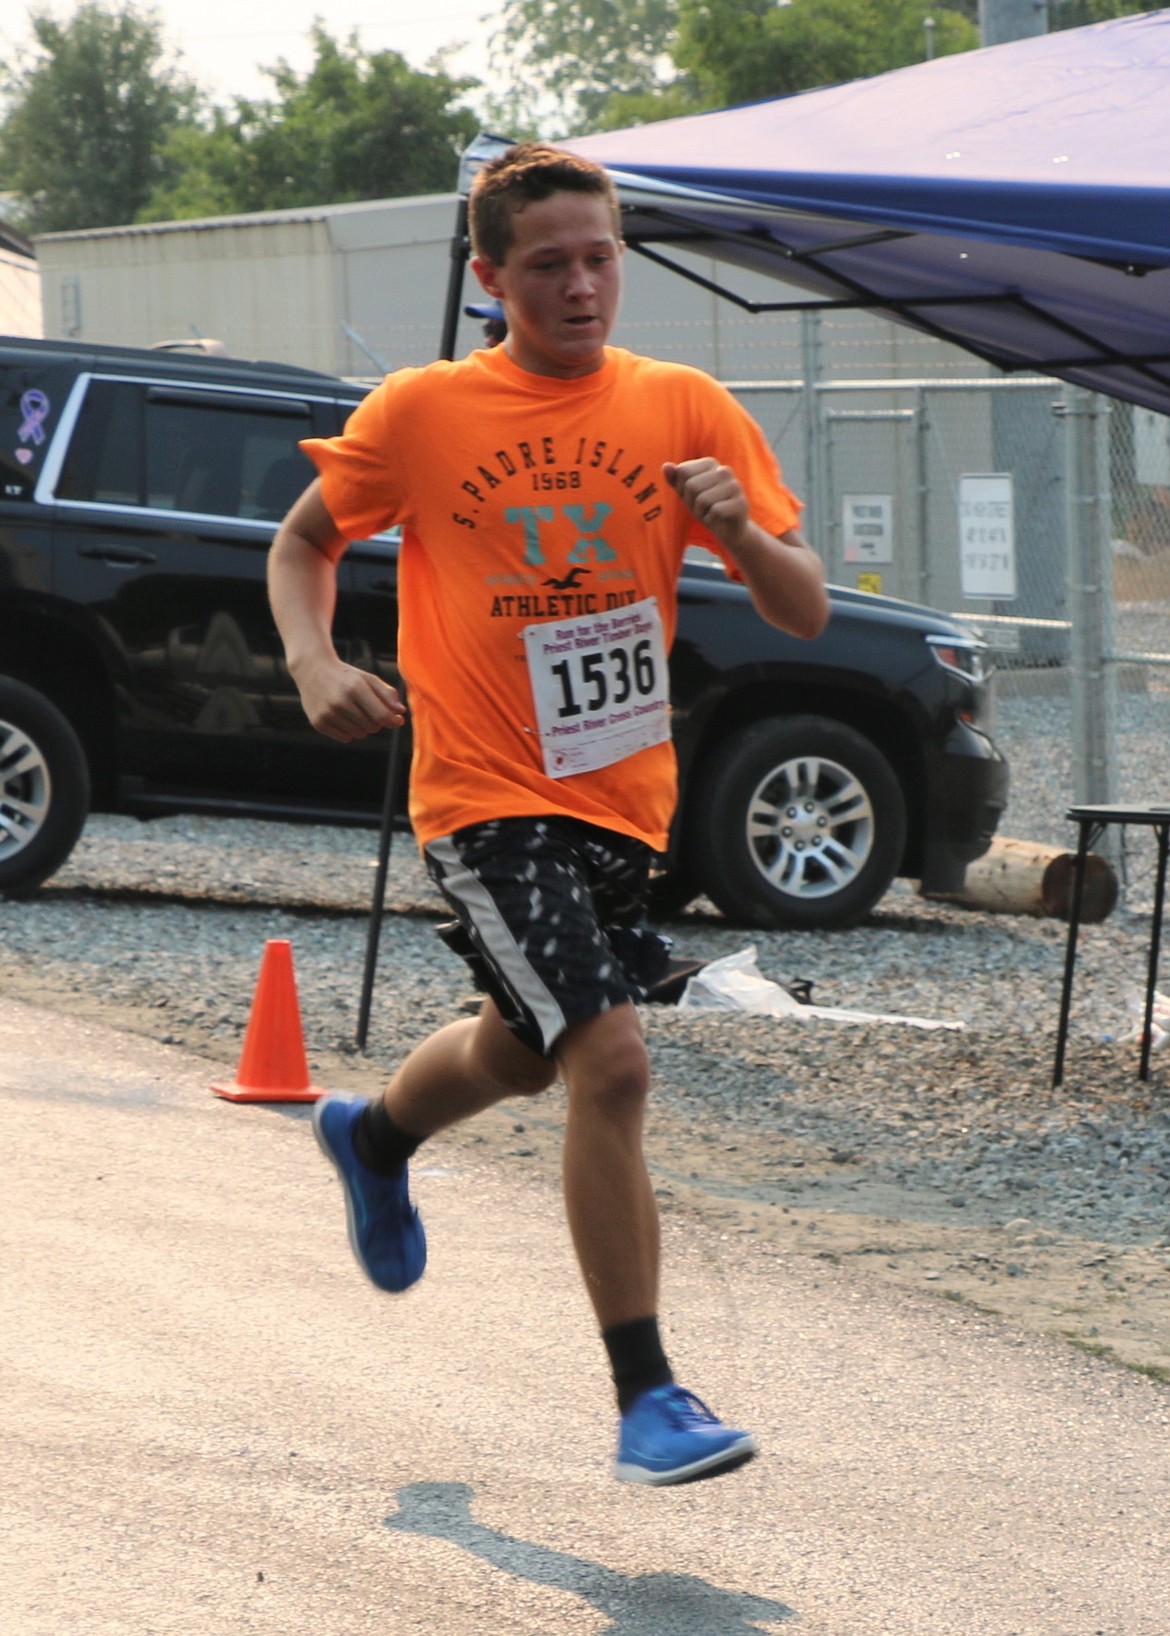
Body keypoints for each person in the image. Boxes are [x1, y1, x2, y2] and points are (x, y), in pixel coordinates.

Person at [268, 142, 829, 1487]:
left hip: (621, 803)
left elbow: (799, 603)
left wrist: (738, 533)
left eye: (600, 258)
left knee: (527, 1057)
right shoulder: (422, 413)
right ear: (489, 278)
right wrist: (313, 664)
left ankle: (374, 1132)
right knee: (613, 1063)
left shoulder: (684, 407)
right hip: (479, 798)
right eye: (547, 266)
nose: (581, 288)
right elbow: (303, 542)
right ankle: (648, 1398)